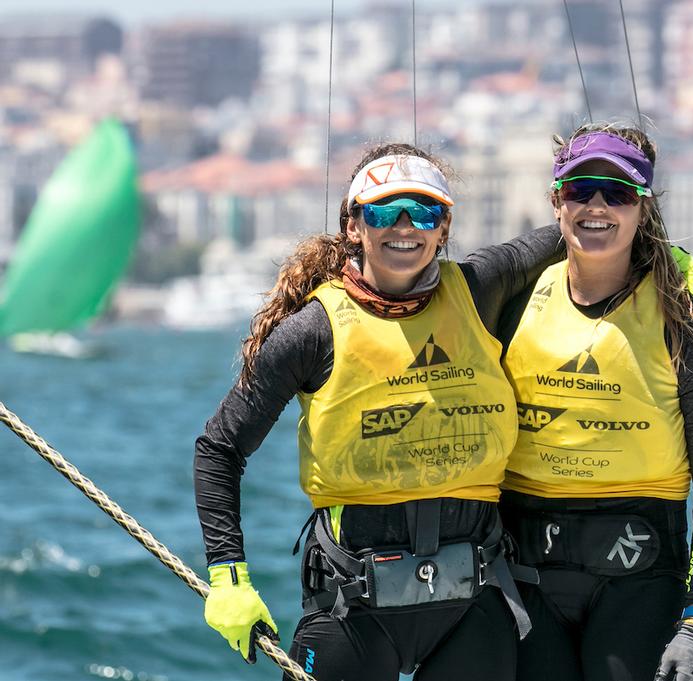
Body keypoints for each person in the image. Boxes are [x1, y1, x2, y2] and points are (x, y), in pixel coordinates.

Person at [194, 144, 567, 681]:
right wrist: (229, 577)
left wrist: (674, 265)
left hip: (473, 605)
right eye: (384, 211)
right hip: (353, 609)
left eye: (424, 212)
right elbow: (220, 449)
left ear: (444, 228)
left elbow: (586, 224)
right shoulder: (312, 331)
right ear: (353, 224)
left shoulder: (479, 288)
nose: (405, 227)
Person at [498, 125, 693, 681]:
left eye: (620, 193)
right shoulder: (511, 300)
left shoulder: (689, 320)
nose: (598, 207)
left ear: (643, 207)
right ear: (556, 200)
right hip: (523, 573)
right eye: (582, 189)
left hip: (639, 575)